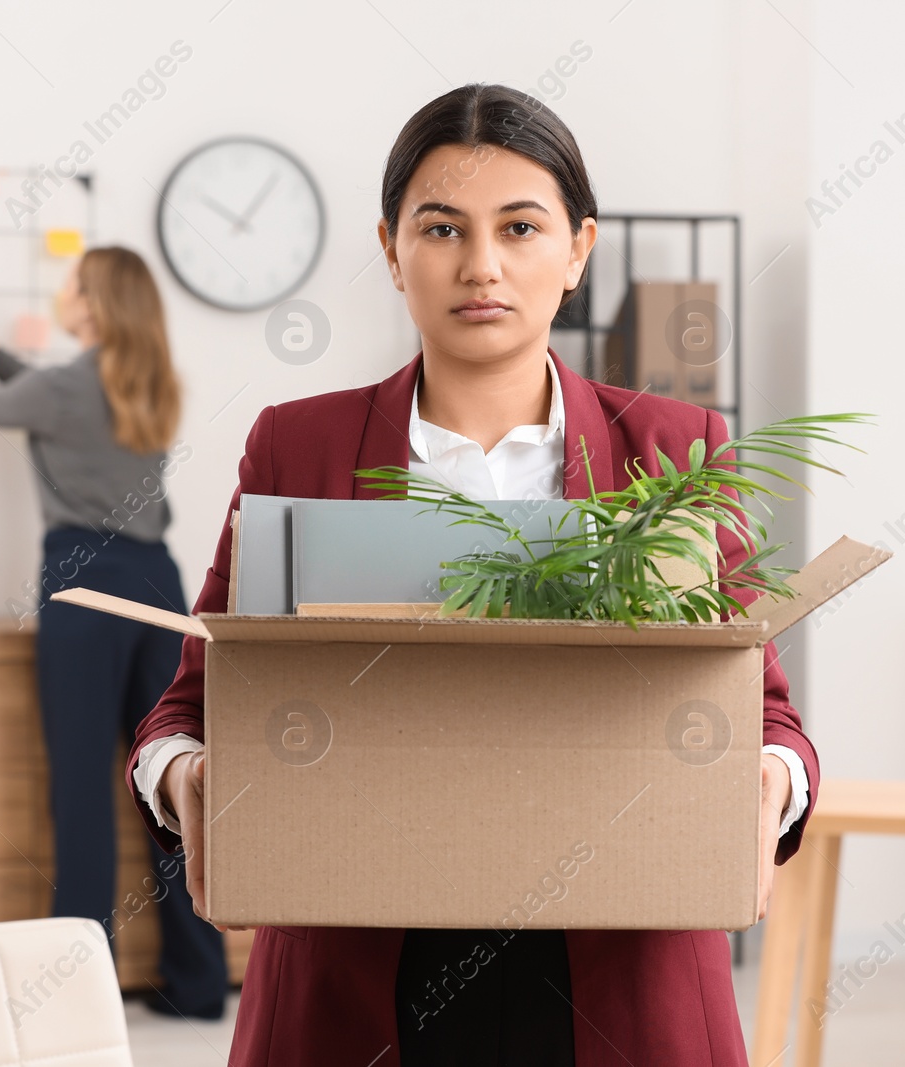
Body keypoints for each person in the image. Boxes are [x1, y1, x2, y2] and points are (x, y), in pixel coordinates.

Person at [127, 84, 818, 1065]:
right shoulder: (299, 442)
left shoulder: (674, 447)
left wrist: (767, 780)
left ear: (578, 249)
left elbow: (770, 715)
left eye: (521, 227)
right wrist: (182, 771)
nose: (481, 265)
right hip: (358, 959)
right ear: (390, 247)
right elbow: (190, 701)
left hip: (617, 965)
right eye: (442, 227)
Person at [0, 246, 230, 1018]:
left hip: (86, 585)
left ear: (94, 304)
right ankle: (198, 983)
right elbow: (42, 390)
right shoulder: (145, 378)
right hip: (161, 586)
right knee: (169, 782)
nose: (62, 294)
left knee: (82, 788)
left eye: (72, 285)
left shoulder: (66, 386)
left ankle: (78, 999)